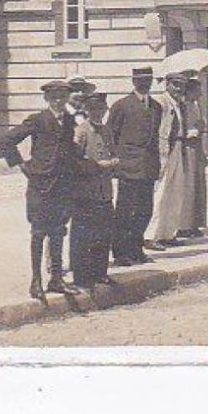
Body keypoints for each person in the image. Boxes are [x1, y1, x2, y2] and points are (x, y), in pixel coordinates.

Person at [0, 80, 86, 298]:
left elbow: (70, 150)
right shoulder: (38, 120)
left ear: (67, 98)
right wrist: (21, 165)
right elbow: (7, 140)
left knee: (58, 232)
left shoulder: (70, 121)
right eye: (54, 97)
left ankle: (56, 279)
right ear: (47, 99)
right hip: (41, 186)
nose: (58, 101)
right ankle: (36, 282)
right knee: (38, 233)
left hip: (63, 185)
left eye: (62, 97)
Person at [107, 65, 163, 265]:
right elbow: (110, 135)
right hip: (128, 166)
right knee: (125, 211)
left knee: (144, 210)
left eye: (148, 80)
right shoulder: (121, 105)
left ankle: (136, 249)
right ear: (133, 82)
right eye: (140, 81)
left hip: (148, 166)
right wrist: (114, 163)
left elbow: (155, 137)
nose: (144, 84)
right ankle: (121, 253)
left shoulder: (157, 107)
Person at [71, 90, 121, 288]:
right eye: (93, 109)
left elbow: (113, 151)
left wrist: (115, 161)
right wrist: (99, 165)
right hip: (85, 192)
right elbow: (75, 160)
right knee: (83, 237)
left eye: (101, 109)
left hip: (104, 191)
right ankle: (82, 277)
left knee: (103, 234)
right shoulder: (81, 131)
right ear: (87, 110)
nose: (97, 113)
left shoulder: (107, 130)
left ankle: (100, 273)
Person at [150, 73, 194, 249]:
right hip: (164, 148)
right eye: (175, 84)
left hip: (178, 147)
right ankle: (152, 235)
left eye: (181, 85)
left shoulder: (181, 105)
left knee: (176, 192)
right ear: (167, 84)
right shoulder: (161, 102)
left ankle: (169, 233)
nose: (178, 89)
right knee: (161, 192)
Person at [180, 74, 208, 238]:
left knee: (198, 185)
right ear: (190, 91)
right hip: (187, 146)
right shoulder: (183, 106)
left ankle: (195, 223)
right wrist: (190, 131)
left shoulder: (196, 106)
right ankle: (184, 225)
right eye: (198, 91)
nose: (201, 94)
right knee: (188, 185)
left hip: (197, 147)